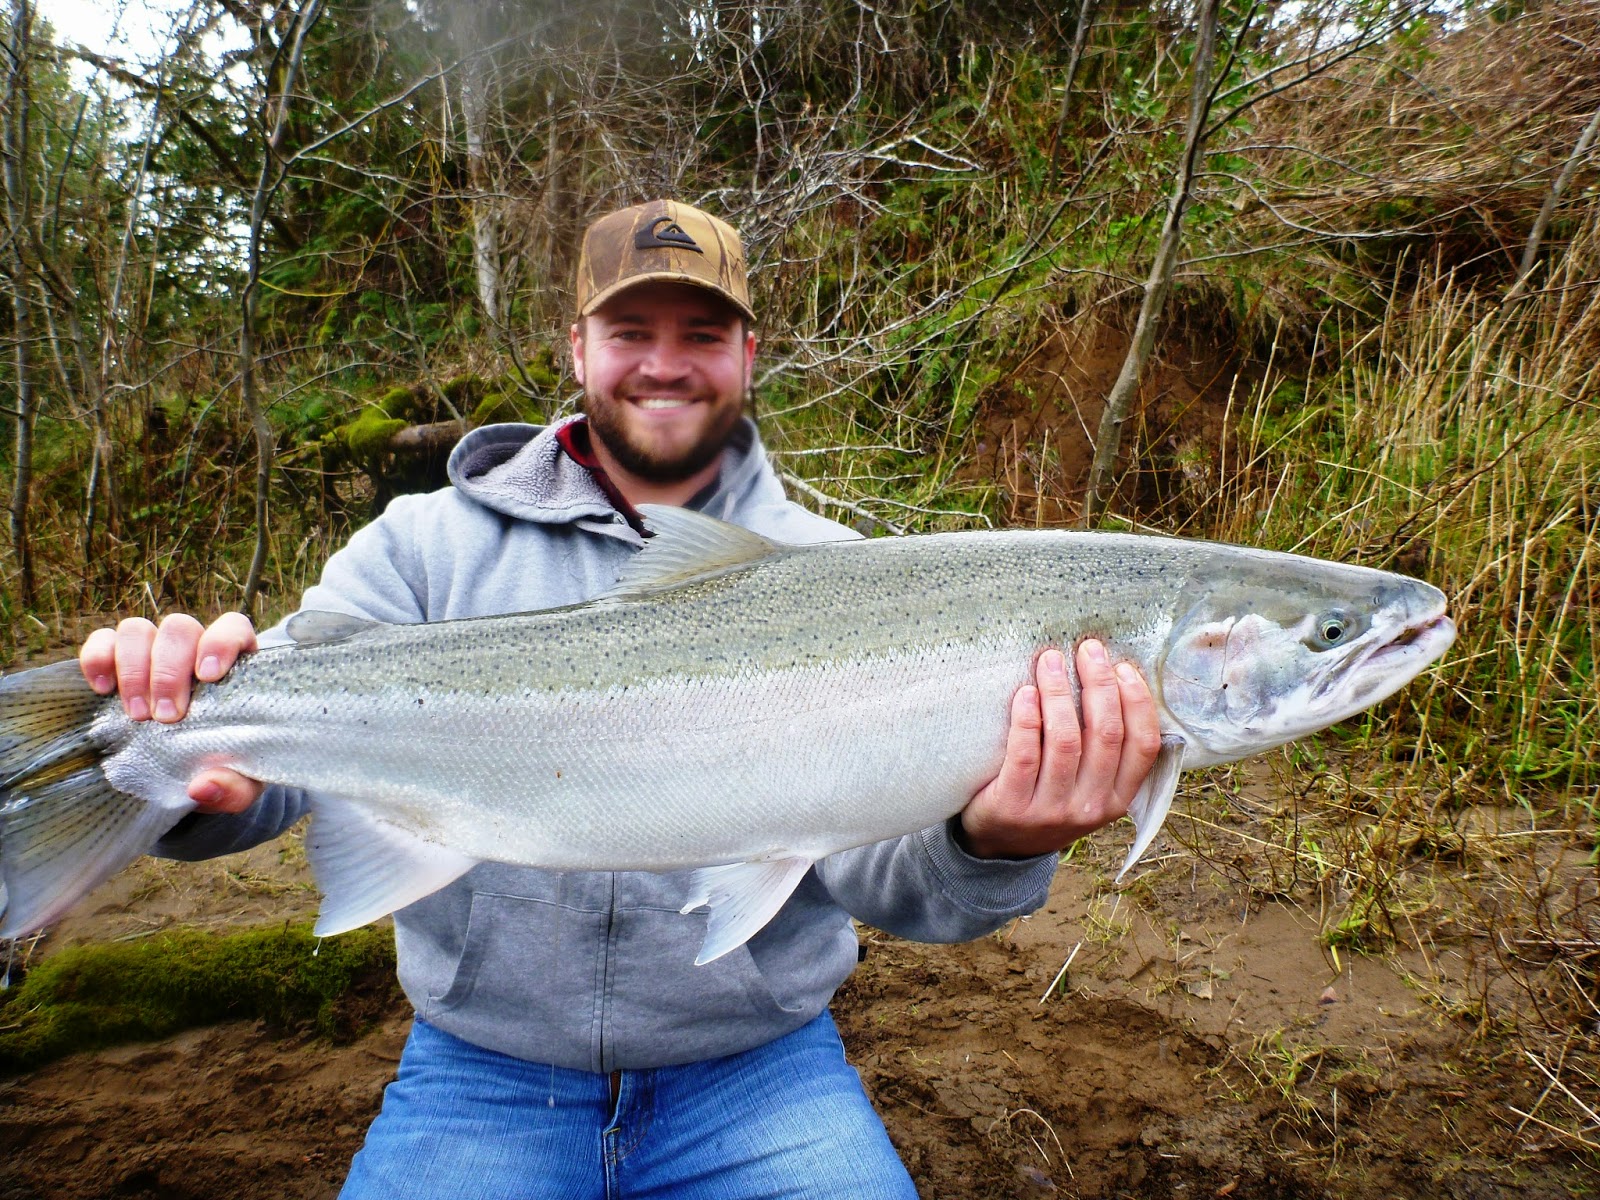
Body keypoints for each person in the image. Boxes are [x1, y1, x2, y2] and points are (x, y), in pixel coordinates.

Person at [79, 199, 1162, 1199]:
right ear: (576, 350)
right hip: (480, 1073)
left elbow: (873, 875)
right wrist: (175, 754)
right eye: (630, 329)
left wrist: (992, 846)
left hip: (759, 1075)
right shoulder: (418, 551)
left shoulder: (842, 577)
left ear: (747, 354)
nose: (665, 364)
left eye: (701, 334)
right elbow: (265, 787)